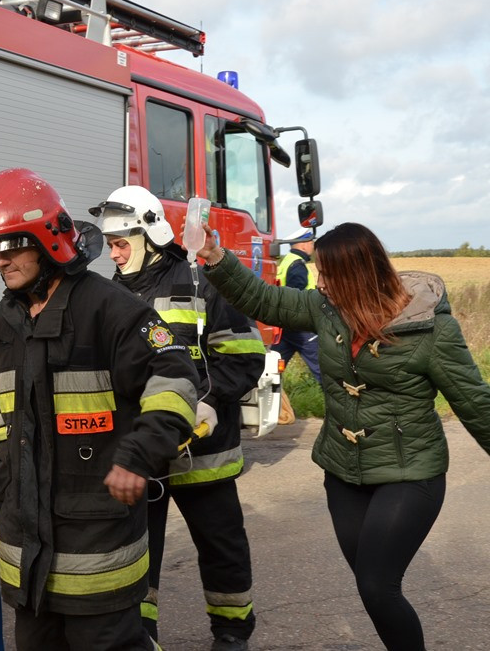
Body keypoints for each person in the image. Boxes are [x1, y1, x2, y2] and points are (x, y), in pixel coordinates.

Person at [196, 221, 490, 651]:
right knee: (371, 586)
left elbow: (475, 401)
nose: (321, 283)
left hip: (410, 474)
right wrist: (216, 257)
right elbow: (264, 299)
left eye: (328, 274)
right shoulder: (326, 308)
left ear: (358, 274)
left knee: (377, 585)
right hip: (343, 470)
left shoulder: (430, 329)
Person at [0, 168, 199, 650]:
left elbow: (175, 374)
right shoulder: (1, 326)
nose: (1, 259)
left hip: (98, 552)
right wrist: (2, 490)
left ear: (48, 241)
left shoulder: (110, 309)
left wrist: (138, 455)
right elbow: (3, 423)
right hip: (29, 560)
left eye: (12, 244)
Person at [90, 186, 265, 651]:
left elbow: (246, 357)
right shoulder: (106, 295)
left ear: (149, 234)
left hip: (204, 451)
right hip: (143, 452)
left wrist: (206, 401)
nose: (113, 252)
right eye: (109, 244)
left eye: (121, 242)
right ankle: (141, 637)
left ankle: (232, 634)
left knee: (221, 546)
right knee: (138, 554)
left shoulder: (200, 282)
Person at [273, 227, 321, 383]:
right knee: (324, 370)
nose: (313, 246)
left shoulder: (286, 262)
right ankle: (339, 402)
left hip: (286, 325)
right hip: (302, 327)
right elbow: (296, 296)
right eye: (311, 242)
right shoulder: (297, 265)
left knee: (272, 368)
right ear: (303, 245)